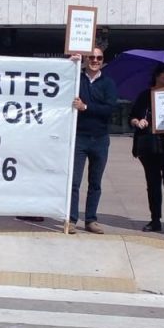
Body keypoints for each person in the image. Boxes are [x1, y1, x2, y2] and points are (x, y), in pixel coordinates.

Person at [130, 64, 164, 236]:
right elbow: (132, 117)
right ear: (156, 74)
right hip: (149, 144)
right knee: (153, 183)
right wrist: (138, 122)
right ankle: (155, 219)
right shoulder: (145, 95)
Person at [69, 46, 119, 234]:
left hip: (100, 138)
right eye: (92, 57)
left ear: (103, 60)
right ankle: (72, 218)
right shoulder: (76, 78)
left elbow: (109, 110)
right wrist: (70, 63)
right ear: (86, 59)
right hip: (79, 137)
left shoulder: (108, 83)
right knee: (74, 182)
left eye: (99, 58)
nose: (95, 61)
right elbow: (61, 81)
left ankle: (90, 219)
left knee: (95, 182)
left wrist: (86, 107)